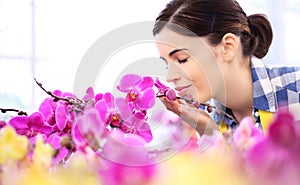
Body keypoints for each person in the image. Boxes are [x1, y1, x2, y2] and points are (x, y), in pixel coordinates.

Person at [153, 0, 300, 136]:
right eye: (167, 65)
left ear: (228, 47)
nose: (170, 77)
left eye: (181, 59)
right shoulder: (202, 117)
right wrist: (209, 133)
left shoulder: (295, 89)